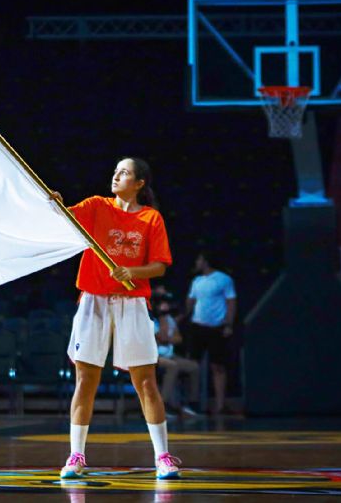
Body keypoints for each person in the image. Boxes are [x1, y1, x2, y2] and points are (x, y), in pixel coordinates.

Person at [50, 157, 181, 480]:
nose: (116, 176)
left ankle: (163, 456)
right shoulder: (96, 205)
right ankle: (76, 455)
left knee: (146, 381)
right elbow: (64, 220)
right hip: (93, 300)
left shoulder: (151, 218)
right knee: (86, 381)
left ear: (139, 183)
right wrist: (56, 204)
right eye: (115, 171)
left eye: (124, 173)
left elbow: (159, 266)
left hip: (132, 302)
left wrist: (132, 272)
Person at [182, 250, 237, 416]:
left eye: (199, 260)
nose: (196, 263)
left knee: (218, 366)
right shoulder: (197, 281)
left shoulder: (223, 279)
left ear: (205, 261)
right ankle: (192, 404)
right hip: (198, 326)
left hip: (216, 327)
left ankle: (220, 405)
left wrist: (228, 324)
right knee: (193, 365)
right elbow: (190, 302)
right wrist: (182, 316)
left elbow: (231, 302)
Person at [154, 299, 200, 417]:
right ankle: (162, 405)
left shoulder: (170, 320)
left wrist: (168, 338)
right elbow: (163, 337)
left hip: (169, 355)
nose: (166, 311)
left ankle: (191, 403)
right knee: (173, 366)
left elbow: (178, 339)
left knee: (194, 367)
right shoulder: (151, 322)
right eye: (163, 310)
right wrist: (163, 322)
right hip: (153, 357)